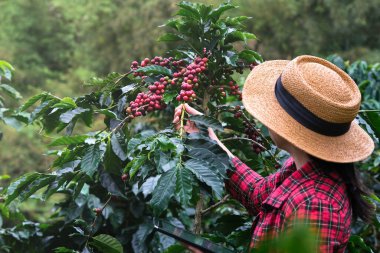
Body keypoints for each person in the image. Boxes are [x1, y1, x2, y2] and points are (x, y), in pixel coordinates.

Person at [172, 55, 375, 253]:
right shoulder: (302, 169)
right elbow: (256, 194)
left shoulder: (314, 206)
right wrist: (209, 141)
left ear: (292, 126)